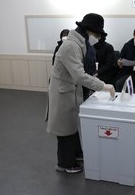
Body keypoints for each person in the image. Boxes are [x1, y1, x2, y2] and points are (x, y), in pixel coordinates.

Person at [45, 13, 115, 174]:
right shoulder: (71, 46)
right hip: (63, 92)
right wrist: (103, 86)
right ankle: (65, 164)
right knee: (64, 129)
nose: (97, 38)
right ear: (88, 31)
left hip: (70, 89)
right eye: (96, 34)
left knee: (71, 125)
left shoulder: (79, 43)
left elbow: (81, 72)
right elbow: (79, 75)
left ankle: (76, 154)